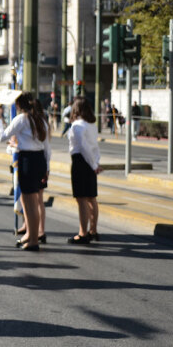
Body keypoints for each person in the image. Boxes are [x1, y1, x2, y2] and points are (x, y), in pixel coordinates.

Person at [0, 92, 52, 251]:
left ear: (19, 105)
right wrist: (47, 168)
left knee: (29, 202)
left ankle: (33, 240)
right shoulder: (40, 120)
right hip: (39, 160)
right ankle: (33, 236)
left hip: (27, 160)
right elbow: (47, 147)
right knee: (31, 202)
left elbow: (1, 136)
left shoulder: (22, 119)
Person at [66, 97, 102, 244]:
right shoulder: (92, 125)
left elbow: (83, 147)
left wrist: (93, 165)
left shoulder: (77, 126)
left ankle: (83, 233)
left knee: (81, 199)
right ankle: (93, 230)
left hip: (81, 162)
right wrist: (95, 163)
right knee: (91, 198)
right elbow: (95, 148)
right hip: (91, 161)